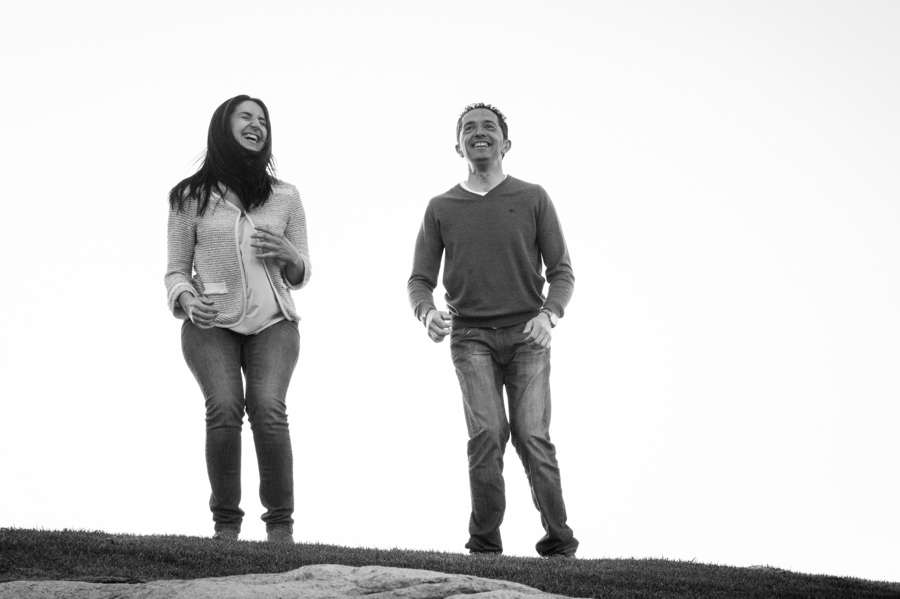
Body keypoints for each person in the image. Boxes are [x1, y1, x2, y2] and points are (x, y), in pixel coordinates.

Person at [407, 103, 578, 558]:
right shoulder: (441, 207)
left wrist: (548, 315)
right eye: (469, 128)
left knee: (532, 436)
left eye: (488, 127)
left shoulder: (533, 197)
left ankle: (560, 545)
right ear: (458, 146)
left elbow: (562, 272)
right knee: (487, 435)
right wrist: (426, 313)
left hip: (528, 336)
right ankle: (484, 548)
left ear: (506, 143)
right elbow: (419, 281)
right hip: (470, 338)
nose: (478, 132)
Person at [165, 95, 311, 543]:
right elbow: (175, 270)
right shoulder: (189, 197)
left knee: (267, 408)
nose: (256, 125)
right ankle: (226, 526)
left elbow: (301, 271)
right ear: (223, 126)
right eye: (246, 117)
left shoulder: (286, 196)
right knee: (225, 408)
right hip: (211, 324)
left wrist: (290, 254)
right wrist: (187, 300)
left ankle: (280, 528)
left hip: (274, 324)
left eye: (263, 120)